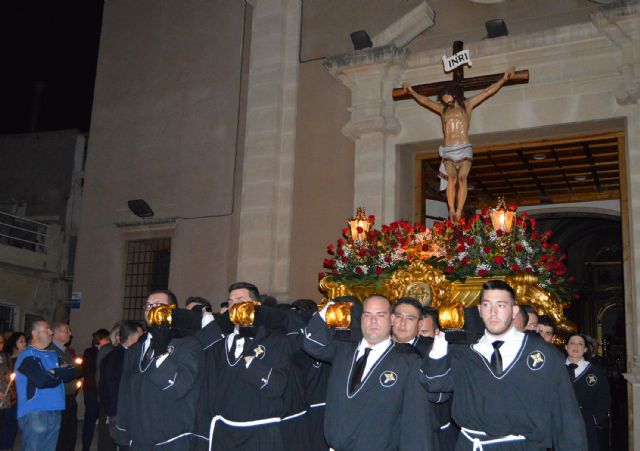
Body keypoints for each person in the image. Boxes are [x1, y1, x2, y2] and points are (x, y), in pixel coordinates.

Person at [419, 280, 587, 449]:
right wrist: (438, 349)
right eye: (486, 305)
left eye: (501, 305)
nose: (493, 313)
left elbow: (567, 420)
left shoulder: (544, 355)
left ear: (514, 311)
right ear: (479, 310)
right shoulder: (464, 354)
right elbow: (434, 386)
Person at [303, 294, 431, 450]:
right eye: (367, 314)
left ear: (391, 319)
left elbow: (415, 424)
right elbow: (312, 344)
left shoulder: (407, 362)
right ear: (361, 318)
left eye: (380, 315)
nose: (373, 320)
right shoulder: (343, 350)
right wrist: (332, 307)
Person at [194, 282, 303, 451]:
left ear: (256, 305)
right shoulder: (219, 344)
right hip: (224, 435)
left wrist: (252, 364)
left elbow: (279, 387)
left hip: (260, 435)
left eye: (240, 299)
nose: (234, 305)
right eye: (230, 301)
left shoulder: (276, 341)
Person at [402, 68, 515, 221]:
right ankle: (451, 210)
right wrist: (411, 91)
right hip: (449, 150)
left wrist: (503, 79)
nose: (444, 101)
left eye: (446, 98)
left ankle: (459, 211)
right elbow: (426, 101)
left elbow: (487, 92)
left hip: (464, 148)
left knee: (462, 179)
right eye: (443, 100)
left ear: (453, 94)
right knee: (452, 179)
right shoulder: (443, 110)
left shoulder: (466, 105)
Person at [112, 289, 202, 450]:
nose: (151, 309)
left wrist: (161, 353)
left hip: (171, 440)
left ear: (171, 310)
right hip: (139, 438)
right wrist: (122, 430)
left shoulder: (187, 345)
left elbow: (180, 386)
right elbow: (126, 392)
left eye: (158, 305)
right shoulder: (135, 350)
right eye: (148, 306)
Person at [392, 298, 457, 451]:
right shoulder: (379, 347)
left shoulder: (433, 349)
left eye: (410, 319)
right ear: (391, 319)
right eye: (399, 317)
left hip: (428, 432)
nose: (402, 323)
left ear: (420, 324)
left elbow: (442, 393)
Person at [16, 320, 77, 451]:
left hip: (56, 409)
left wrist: (52, 373)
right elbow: (41, 380)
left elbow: (72, 372)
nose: (51, 332)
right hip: (35, 411)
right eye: (47, 329)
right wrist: (59, 373)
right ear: (35, 333)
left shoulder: (53, 354)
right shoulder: (27, 355)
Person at [99, 321, 143, 451]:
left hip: (117, 411)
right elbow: (114, 387)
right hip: (121, 413)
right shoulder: (123, 357)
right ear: (131, 338)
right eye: (140, 337)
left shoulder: (116, 355)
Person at [565, 333, 611, 451]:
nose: (576, 347)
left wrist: (595, 420)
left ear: (585, 349)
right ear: (566, 346)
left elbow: (604, 399)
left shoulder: (595, 372)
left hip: (587, 426)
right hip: (562, 423)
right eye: (572, 343)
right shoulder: (557, 370)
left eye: (580, 344)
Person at [50, 322, 82, 451]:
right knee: (62, 435)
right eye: (66, 331)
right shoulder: (52, 351)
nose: (70, 334)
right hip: (59, 398)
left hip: (68, 397)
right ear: (55, 333)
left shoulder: (65, 351)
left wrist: (72, 368)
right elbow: (66, 372)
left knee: (69, 433)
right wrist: (73, 368)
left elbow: (77, 370)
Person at [81, 328, 111, 451]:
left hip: (103, 392)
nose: (109, 341)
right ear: (100, 339)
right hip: (92, 392)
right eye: (107, 339)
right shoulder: (90, 352)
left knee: (104, 422)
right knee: (90, 419)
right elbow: (88, 372)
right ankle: (85, 446)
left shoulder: (109, 351)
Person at [0, 332, 26, 450]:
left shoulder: (6, 357)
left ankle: (7, 446)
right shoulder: (12, 359)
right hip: (6, 395)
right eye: (21, 341)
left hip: (11, 397)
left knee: (11, 424)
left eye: (1, 342)